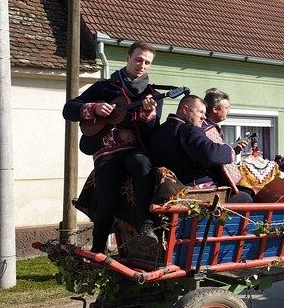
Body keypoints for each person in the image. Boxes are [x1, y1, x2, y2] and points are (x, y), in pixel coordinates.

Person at [62, 41, 162, 254]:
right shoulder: (104, 87)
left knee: (141, 163)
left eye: (147, 62)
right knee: (107, 197)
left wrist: (147, 115)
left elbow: (151, 133)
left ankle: (146, 225)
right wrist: (95, 108)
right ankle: (98, 247)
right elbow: (69, 109)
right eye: (138, 60)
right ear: (127, 58)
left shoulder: (151, 95)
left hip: (134, 151)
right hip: (106, 152)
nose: (142, 65)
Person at [150, 95, 252, 202]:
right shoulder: (189, 130)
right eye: (200, 112)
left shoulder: (159, 131)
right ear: (185, 110)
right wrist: (230, 149)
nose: (204, 117)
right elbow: (211, 154)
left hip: (168, 193)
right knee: (246, 197)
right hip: (194, 194)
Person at [202, 88, 249, 190]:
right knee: (248, 196)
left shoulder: (213, 127)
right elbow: (213, 157)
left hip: (218, 181)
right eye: (226, 108)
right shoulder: (205, 129)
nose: (229, 110)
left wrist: (234, 149)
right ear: (215, 109)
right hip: (213, 182)